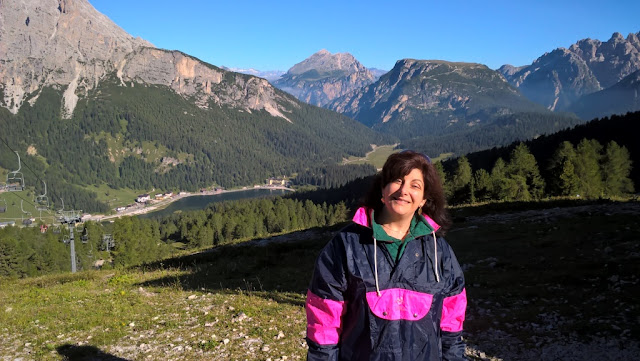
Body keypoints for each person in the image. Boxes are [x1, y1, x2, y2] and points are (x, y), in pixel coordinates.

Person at [305, 150, 467, 361]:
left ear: (424, 200)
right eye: (397, 180)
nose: (403, 190)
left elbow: (452, 331)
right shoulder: (345, 246)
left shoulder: (440, 252)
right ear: (382, 189)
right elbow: (323, 326)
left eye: (415, 185)